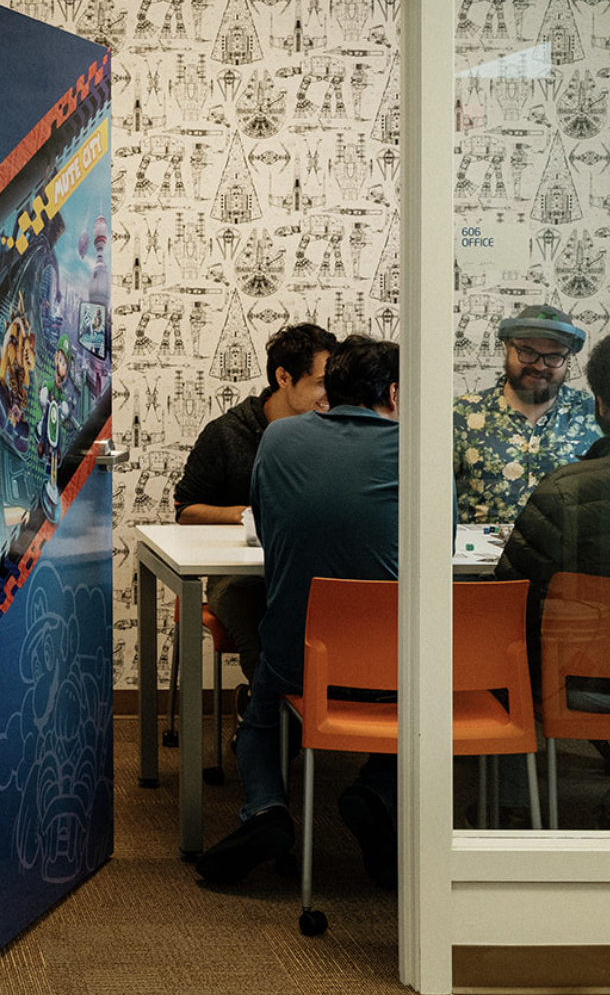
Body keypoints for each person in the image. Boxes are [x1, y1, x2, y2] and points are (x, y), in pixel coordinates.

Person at [196, 334, 400, 889]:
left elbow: (266, 525)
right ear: (393, 393)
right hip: (393, 662)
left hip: (298, 650)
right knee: (426, 710)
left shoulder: (280, 437)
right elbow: (441, 544)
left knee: (261, 722)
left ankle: (266, 809)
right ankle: (375, 789)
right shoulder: (419, 448)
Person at [492, 330, 610, 829]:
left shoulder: (563, 490)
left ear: (600, 404)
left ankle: (513, 804)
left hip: (574, 687)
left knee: (496, 644)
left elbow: (511, 604)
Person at [171, 322, 338, 677]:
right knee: (263, 633)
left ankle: (304, 707)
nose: (330, 396)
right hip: (239, 577)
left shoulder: (337, 432)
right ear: (284, 377)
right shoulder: (227, 433)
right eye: (322, 383)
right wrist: (243, 514)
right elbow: (185, 510)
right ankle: (267, 708)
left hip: (312, 569)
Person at [454, 303, 601, 526]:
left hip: (568, 548)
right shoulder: (461, 415)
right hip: (480, 549)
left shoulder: (594, 415)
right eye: (528, 352)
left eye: (554, 356)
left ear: (568, 358)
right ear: (507, 347)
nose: (540, 366)